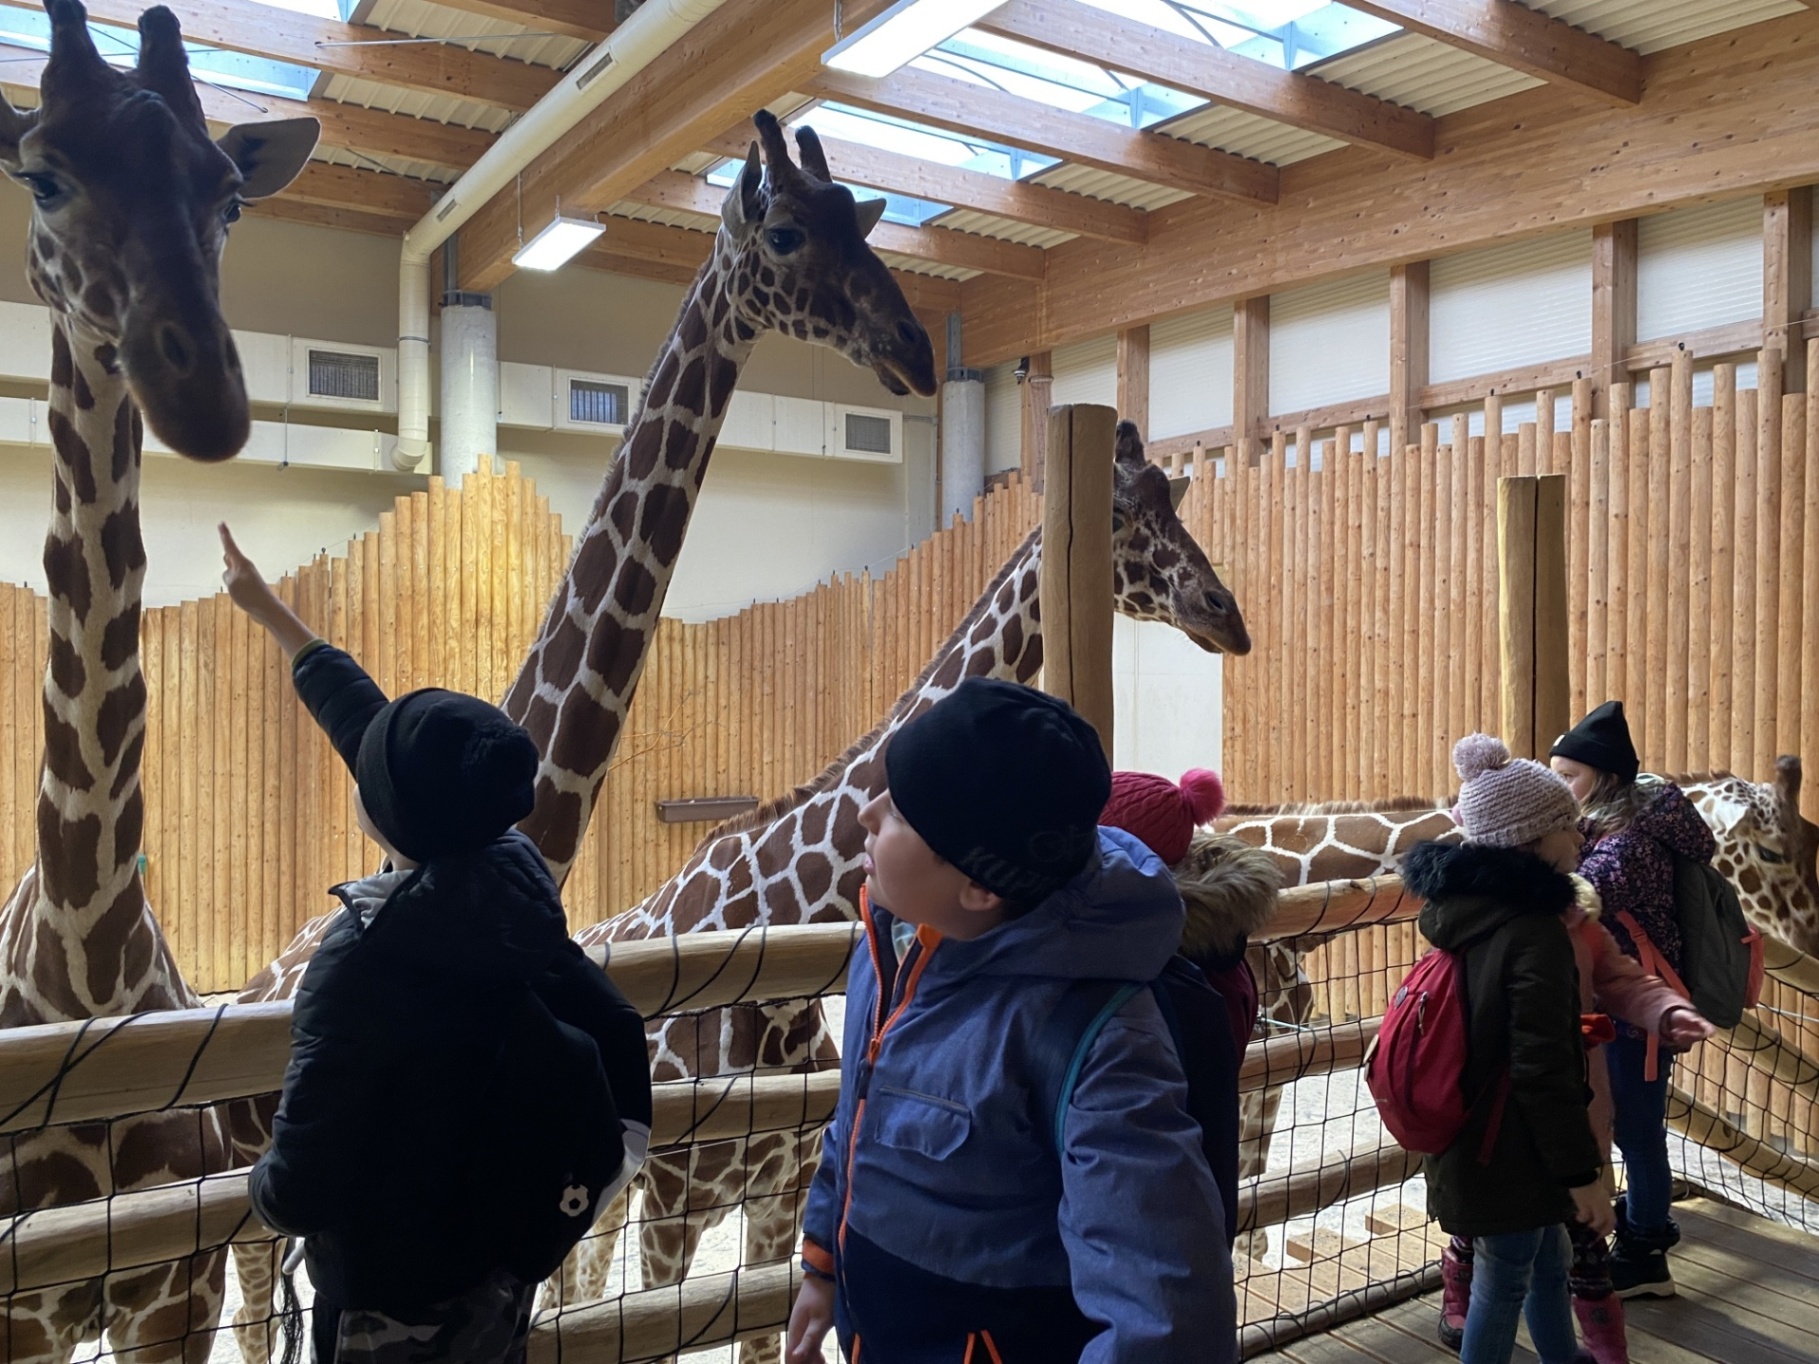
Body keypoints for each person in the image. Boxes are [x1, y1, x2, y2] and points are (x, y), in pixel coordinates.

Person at [220, 525, 653, 1364]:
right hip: (497, 1272)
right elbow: (382, 739)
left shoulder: (362, 962)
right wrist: (271, 612)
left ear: (389, 815)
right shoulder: (508, 876)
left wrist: (256, 1186)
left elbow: (300, 1185)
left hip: (387, 1296)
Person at [785, 679, 1236, 1364]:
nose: (866, 813)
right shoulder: (893, 950)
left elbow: (1165, 1310)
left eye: (901, 811)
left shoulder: (1095, 1039)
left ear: (979, 886)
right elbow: (857, 1118)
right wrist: (823, 1269)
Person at [1435, 871, 1714, 1362]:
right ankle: (1471, 1306)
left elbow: (1621, 978)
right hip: (1502, 1128)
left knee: (1560, 1254)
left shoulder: (1578, 922)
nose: (1576, 835)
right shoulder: (1486, 926)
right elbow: (1523, 1056)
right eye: (1565, 831)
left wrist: (1666, 1011)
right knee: (1505, 1267)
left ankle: (1585, 1350)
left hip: (1568, 1117)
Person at [1403, 734, 1614, 1364]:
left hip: (1480, 1137)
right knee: (1504, 1281)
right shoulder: (1532, 932)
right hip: (1509, 1148)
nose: (1578, 836)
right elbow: (1543, 1068)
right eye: (1565, 826)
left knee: (1546, 1258)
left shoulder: (1466, 913)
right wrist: (1582, 1176)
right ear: (1529, 840)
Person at [1550, 700, 1717, 1300]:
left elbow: (1575, 895)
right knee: (1623, 1125)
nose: (1559, 786)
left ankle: (1646, 1251)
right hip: (1619, 1005)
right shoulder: (1603, 827)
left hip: (1636, 1008)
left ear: (1604, 778)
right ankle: (1636, 1227)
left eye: (1569, 775)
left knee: (1638, 1133)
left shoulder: (1628, 843)